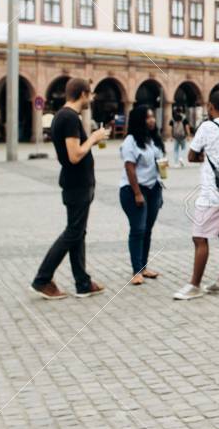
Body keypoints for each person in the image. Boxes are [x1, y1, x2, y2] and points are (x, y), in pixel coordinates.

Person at [31, 78, 108, 300]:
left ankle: (82, 282)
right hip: (77, 184)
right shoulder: (69, 118)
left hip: (76, 182)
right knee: (73, 232)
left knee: (78, 233)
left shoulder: (62, 117)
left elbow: (65, 155)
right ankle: (42, 279)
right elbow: (74, 155)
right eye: (90, 94)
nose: (91, 99)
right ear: (83, 93)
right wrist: (94, 137)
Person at [174, 90, 219, 300]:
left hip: (213, 193)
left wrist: (204, 156)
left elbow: (192, 154)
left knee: (199, 237)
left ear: (211, 107)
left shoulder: (207, 126)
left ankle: (194, 284)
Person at [119, 105, 164, 285]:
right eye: (147, 117)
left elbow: (159, 162)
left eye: (152, 117)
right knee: (138, 229)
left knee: (147, 230)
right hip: (134, 190)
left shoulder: (151, 140)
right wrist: (138, 193)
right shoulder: (130, 141)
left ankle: (144, 267)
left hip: (154, 189)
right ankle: (136, 271)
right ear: (139, 120)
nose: (152, 120)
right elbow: (129, 167)